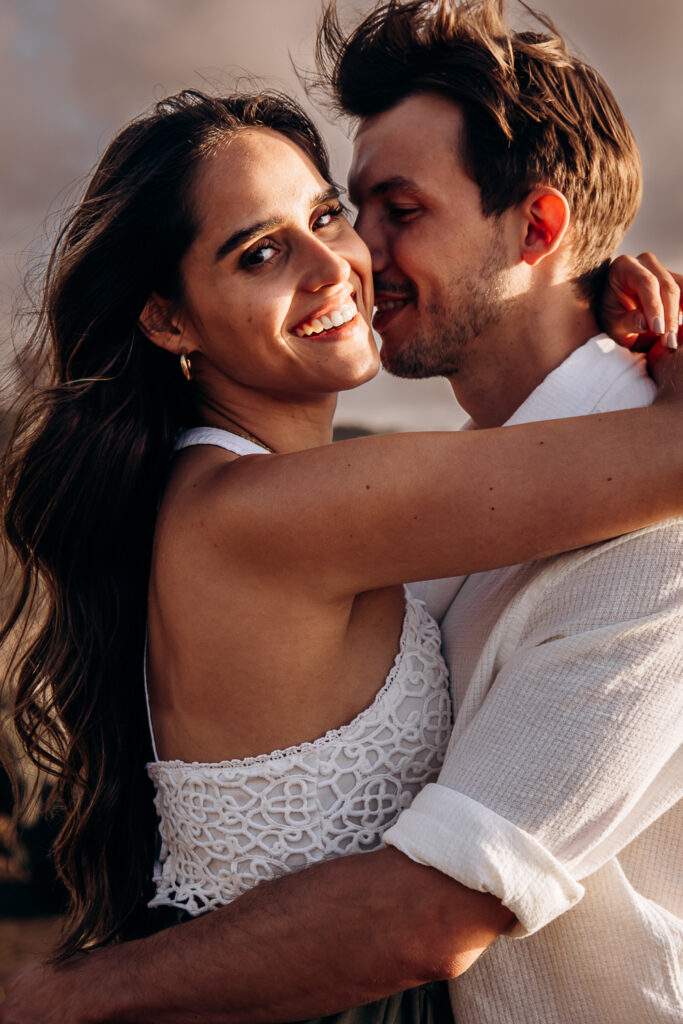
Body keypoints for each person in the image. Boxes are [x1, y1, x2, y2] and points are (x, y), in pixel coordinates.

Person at [1, 4, 682, 1024]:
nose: (349, 256)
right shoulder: (287, 507)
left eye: (368, 211)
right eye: (259, 252)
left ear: (535, 229)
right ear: (169, 317)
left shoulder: (601, 530)